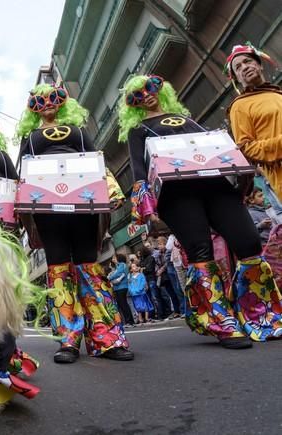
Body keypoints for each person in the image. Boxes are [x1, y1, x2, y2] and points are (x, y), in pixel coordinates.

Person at [118, 74, 282, 348]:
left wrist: (241, 172)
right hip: (176, 194)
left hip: (216, 184)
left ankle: (260, 312)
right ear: (132, 106)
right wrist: (146, 208)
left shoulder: (187, 119)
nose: (145, 95)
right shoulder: (138, 130)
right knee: (200, 250)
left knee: (249, 241)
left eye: (151, 87)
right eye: (136, 95)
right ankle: (221, 321)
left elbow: (218, 145)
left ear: (162, 89)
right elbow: (138, 170)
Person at [16, 83, 133, 364]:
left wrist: (112, 191)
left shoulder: (79, 131)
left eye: (53, 97)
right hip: (46, 207)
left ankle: (107, 337)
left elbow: (96, 160)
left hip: (84, 203)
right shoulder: (29, 137)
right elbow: (24, 170)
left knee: (88, 263)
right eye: (38, 101)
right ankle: (67, 340)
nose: (46, 103)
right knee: (57, 266)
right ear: (32, 109)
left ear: (64, 102)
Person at [225, 43, 282, 199]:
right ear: (236, 78)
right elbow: (245, 148)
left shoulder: (278, 94)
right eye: (238, 67)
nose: (244, 67)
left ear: (259, 65)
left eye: (248, 61)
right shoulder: (239, 106)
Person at [155, 236, 182, 319]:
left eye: (160, 244)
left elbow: (168, 262)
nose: (159, 246)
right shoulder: (159, 254)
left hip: (170, 273)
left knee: (177, 291)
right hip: (165, 277)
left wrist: (161, 269)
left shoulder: (168, 251)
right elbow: (157, 264)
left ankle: (181, 309)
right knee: (171, 294)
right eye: (158, 244)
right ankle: (176, 310)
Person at [108, 254, 134, 326]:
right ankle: (127, 321)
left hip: (122, 287)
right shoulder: (118, 266)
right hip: (117, 288)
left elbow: (118, 274)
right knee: (121, 304)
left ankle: (130, 321)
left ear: (118, 258)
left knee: (124, 304)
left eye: (114, 258)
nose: (113, 259)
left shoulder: (122, 265)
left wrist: (109, 278)